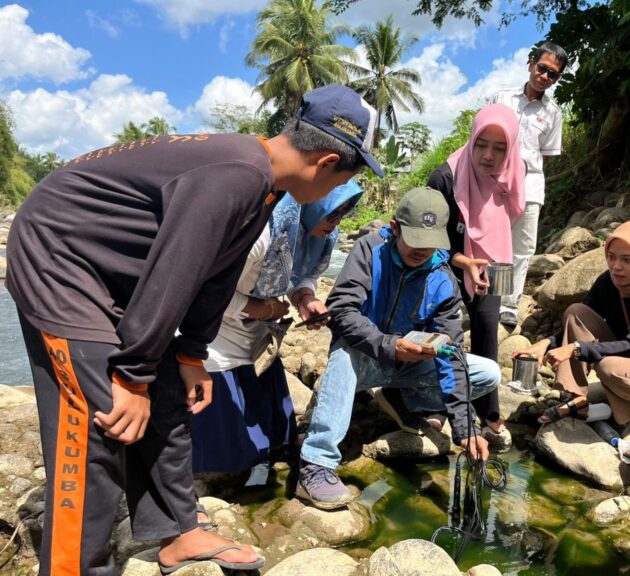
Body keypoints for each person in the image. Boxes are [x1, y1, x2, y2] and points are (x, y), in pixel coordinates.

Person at [5, 84, 381, 575]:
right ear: (326, 162)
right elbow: (173, 272)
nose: (332, 196)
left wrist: (189, 356)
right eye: (339, 184)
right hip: (59, 263)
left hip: (110, 272)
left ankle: (178, 531)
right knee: (102, 420)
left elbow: (214, 272)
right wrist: (133, 376)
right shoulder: (234, 174)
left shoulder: (264, 182)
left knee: (168, 399)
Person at [296, 187, 502, 510]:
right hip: (368, 360)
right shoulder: (369, 250)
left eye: (430, 241)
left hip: (411, 368)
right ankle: (316, 463)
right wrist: (389, 346)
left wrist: (465, 429)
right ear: (395, 228)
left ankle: (405, 401)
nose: (423, 250)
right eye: (415, 239)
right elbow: (342, 312)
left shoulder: (444, 279)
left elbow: (451, 354)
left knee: (488, 373)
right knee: (345, 350)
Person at [191, 181, 363, 482]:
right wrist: (263, 310)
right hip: (213, 329)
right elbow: (206, 291)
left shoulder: (318, 236)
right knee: (229, 439)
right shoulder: (263, 235)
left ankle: (271, 450)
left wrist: (306, 298)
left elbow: (304, 274)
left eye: (342, 216)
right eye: (332, 215)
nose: (336, 223)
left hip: (256, 330)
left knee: (270, 409)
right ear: (313, 203)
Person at [513, 220, 630, 434]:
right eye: (611, 256)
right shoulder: (611, 280)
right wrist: (546, 344)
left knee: (609, 367)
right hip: (626, 354)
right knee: (576, 311)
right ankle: (577, 396)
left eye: (627, 260)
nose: (616, 266)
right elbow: (579, 323)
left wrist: (578, 349)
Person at [426, 104, 526, 448]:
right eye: (482, 144)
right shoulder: (445, 177)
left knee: (488, 326)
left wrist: (484, 259)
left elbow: (510, 217)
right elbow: (430, 241)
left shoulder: (515, 171)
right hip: (445, 260)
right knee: (444, 329)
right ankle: (437, 402)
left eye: (500, 148)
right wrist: (463, 261)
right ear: (472, 139)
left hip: (493, 260)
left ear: (511, 149)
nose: (489, 156)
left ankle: (489, 409)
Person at [492, 41, 569, 327]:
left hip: (530, 184)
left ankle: (509, 304)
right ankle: (487, 299)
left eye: (553, 74)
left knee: (522, 247)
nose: (545, 77)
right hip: (493, 183)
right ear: (530, 64)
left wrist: (522, 174)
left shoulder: (553, 113)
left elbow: (546, 156)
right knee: (491, 242)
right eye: (542, 68)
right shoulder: (502, 98)